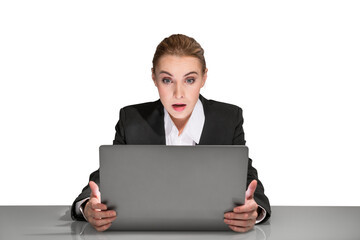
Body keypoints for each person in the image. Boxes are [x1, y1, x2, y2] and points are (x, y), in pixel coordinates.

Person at [71, 34, 271, 233]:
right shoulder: (132, 120)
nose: (178, 93)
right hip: (146, 233)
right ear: (154, 78)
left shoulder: (228, 119)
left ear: (204, 78)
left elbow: (246, 177)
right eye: (167, 80)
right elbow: (107, 176)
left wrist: (254, 211)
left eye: (190, 80)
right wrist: (87, 206)